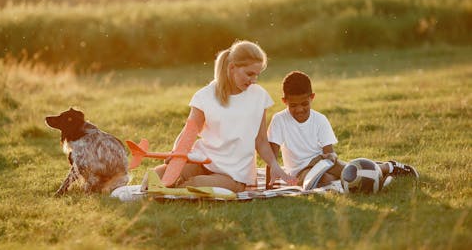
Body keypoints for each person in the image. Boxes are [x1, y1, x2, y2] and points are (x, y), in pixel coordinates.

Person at [153, 40, 297, 192]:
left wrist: (275, 166)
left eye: (257, 75)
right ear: (232, 67)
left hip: (235, 174)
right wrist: (177, 155)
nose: (253, 80)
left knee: (196, 184)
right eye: (249, 74)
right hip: (204, 162)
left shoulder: (259, 96)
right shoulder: (205, 96)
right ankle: (164, 188)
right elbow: (189, 132)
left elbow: (260, 140)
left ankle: (170, 190)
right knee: (158, 174)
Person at [267, 70, 419, 188]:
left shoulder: (319, 119)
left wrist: (330, 157)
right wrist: (269, 185)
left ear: (312, 97)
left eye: (304, 104)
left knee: (344, 171)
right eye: (293, 105)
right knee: (327, 179)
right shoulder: (279, 120)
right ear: (284, 101)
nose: (299, 109)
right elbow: (271, 157)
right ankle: (378, 172)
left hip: (323, 164)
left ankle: (387, 167)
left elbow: (329, 153)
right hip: (300, 172)